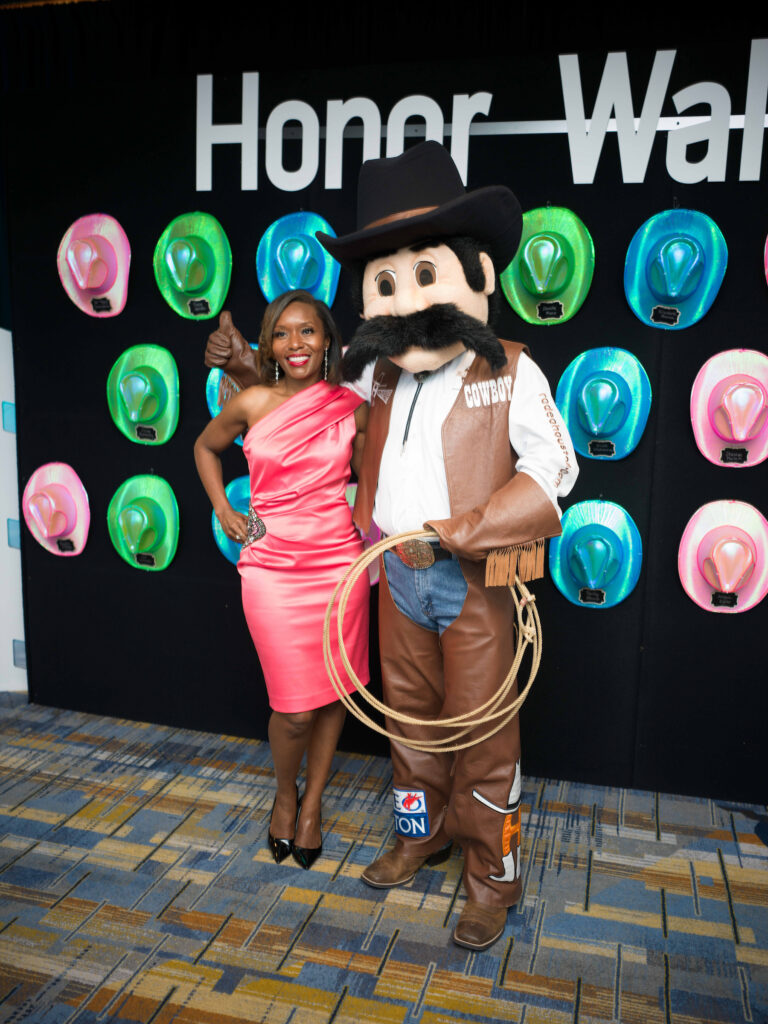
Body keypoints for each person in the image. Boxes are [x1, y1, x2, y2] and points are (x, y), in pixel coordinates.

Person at [205, 142, 578, 950]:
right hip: (388, 579)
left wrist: (458, 534)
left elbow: (554, 474)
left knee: (484, 734)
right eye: (387, 282)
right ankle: (421, 835)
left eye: (425, 275)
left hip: (471, 581)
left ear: (478, 276)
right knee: (407, 724)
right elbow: (295, 403)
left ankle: (492, 880)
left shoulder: (512, 370)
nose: (406, 301)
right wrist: (241, 364)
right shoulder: (371, 378)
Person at [195, 289, 370, 871]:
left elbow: (374, 482)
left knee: (333, 694)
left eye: (308, 332)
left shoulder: (351, 405)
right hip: (270, 568)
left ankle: (314, 803)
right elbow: (205, 447)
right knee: (294, 707)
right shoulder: (250, 402)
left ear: (327, 342)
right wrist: (224, 508)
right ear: (268, 344)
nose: (295, 344)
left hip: (338, 566)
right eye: (282, 333)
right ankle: (285, 791)